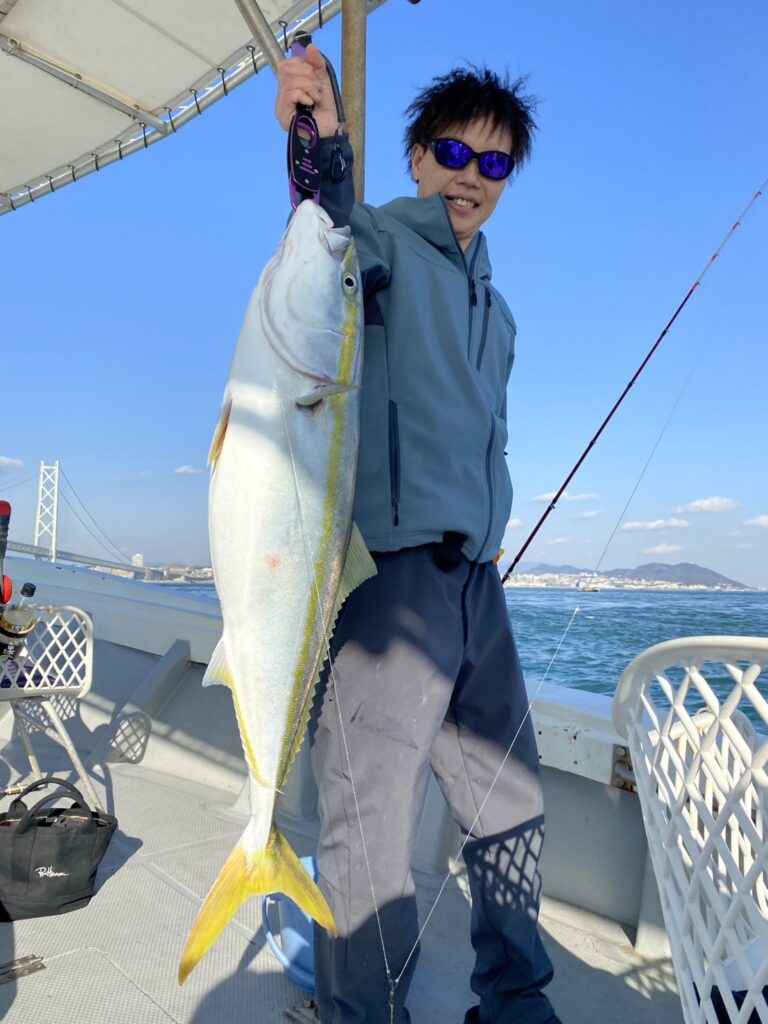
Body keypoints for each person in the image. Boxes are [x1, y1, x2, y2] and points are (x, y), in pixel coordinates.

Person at [275, 45, 560, 1024]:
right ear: (417, 157)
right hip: (390, 579)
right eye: (454, 152)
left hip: (478, 585)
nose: (472, 176)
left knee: (511, 803)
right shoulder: (383, 242)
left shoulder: (500, 312)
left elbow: (486, 436)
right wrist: (318, 137)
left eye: (495, 162)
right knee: (372, 823)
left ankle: (516, 1004)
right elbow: (324, 224)